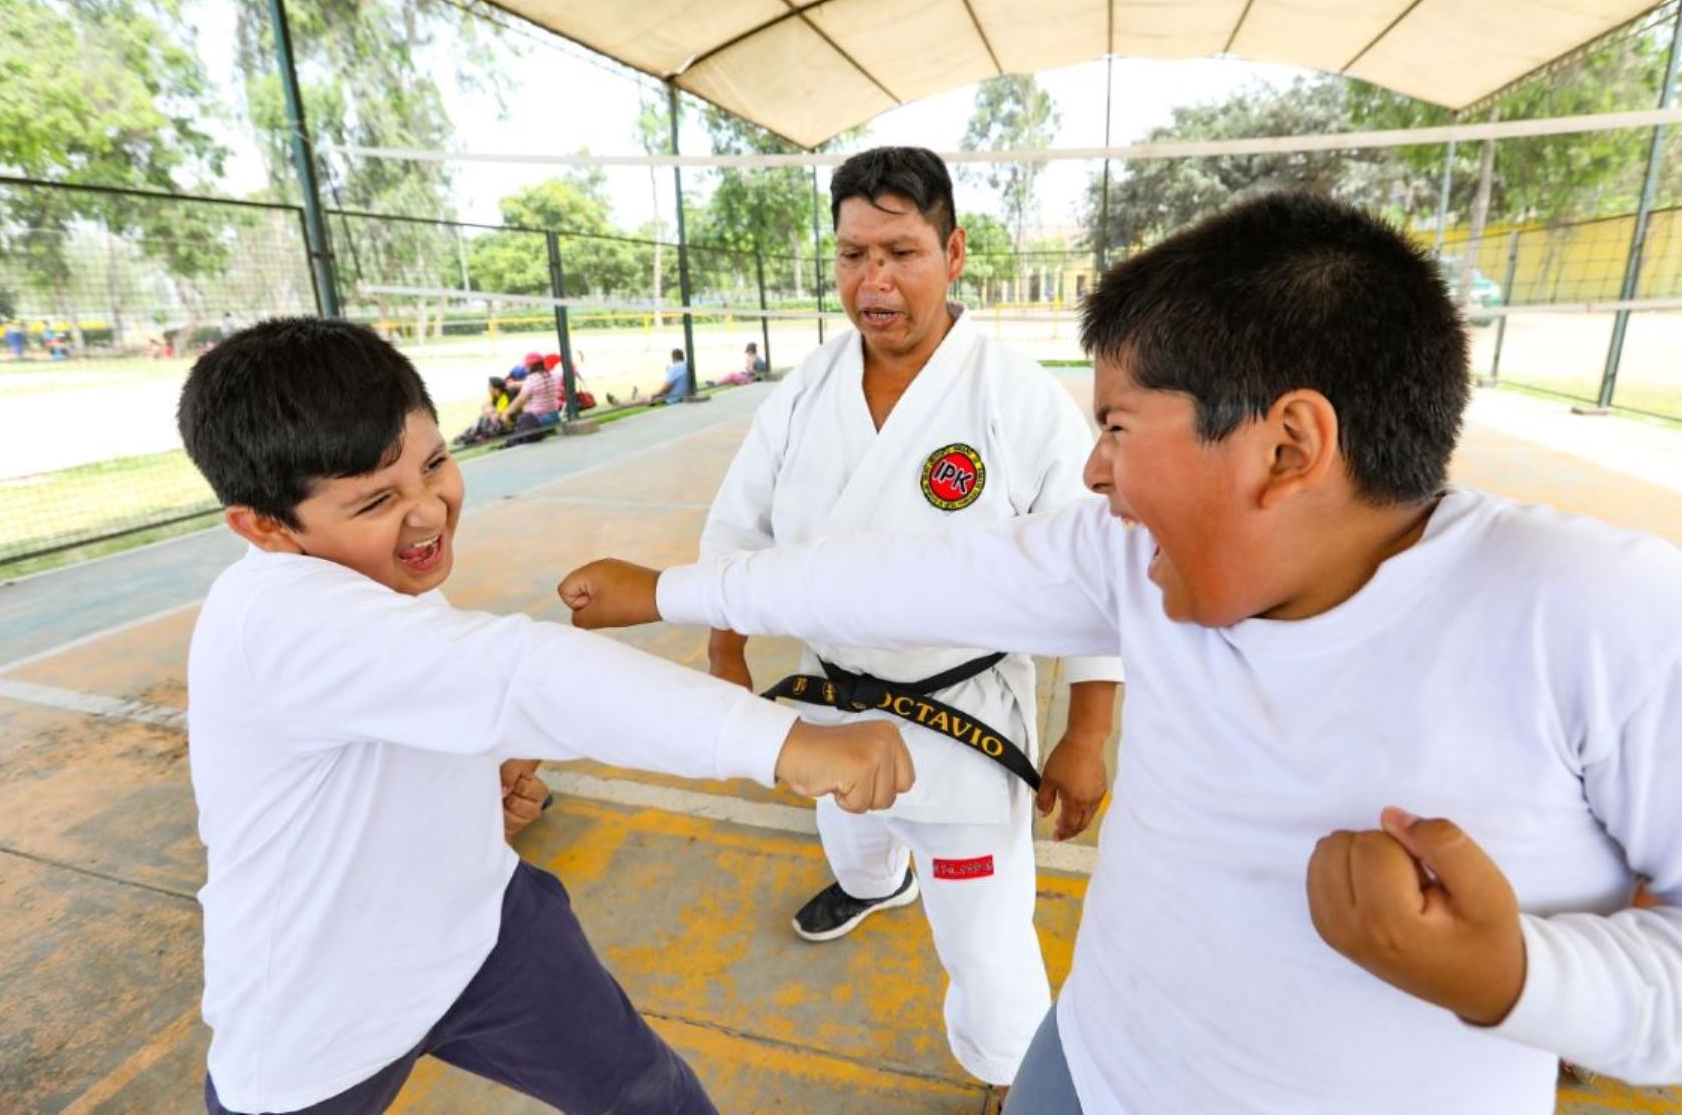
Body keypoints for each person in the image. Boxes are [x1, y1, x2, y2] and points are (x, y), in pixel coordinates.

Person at [558, 191, 1682, 1115]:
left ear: (1288, 446)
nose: (1094, 471)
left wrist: (1524, 981)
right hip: (1086, 1070)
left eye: (1120, 429)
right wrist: (672, 588)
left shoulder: (1606, 622)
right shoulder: (1129, 567)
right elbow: (890, 567)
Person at [176, 318, 914, 1115]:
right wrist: (785, 743)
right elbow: (523, 675)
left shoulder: (375, 572)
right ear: (264, 526)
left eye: (436, 464)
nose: (428, 512)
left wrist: (457, 797)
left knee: (652, 1098)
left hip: (482, 931)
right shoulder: (280, 617)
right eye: (378, 499)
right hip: (321, 1013)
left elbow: (423, 701)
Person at [655, 146, 1123, 1105]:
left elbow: (1091, 568)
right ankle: (874, 886)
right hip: (831, 697)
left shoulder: (1014, 397)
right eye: (852, 254)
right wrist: (724, 653)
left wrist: (1087, 732)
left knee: (989, 943)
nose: (873, 280)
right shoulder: (807, 389)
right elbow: (737, 524)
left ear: (954, 253)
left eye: (901, 252)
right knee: (852, 833)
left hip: (964, 716)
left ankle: (1010, 1072)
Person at [503, 351, 561, 441]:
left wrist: (506, 413)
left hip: (538, 420)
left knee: (514, 432)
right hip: (554, 417)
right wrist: (514, 384)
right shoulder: (551, 375)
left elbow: (521, 399)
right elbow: (533, 384)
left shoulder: (531, 380)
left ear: (530, 366)